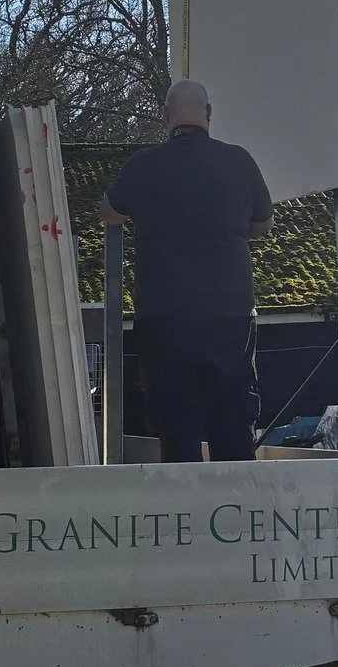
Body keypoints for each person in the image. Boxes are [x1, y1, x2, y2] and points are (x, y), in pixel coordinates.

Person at [102, 79, 274, 462]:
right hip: (229, 317)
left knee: (175, 427)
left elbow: (109, 213)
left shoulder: (143, 165)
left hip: (165, 318)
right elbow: (263, 224)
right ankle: (237, 509)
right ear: (209, 114)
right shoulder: (238, 161)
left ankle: (185, 512)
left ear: (166, 117)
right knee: (231, 423)